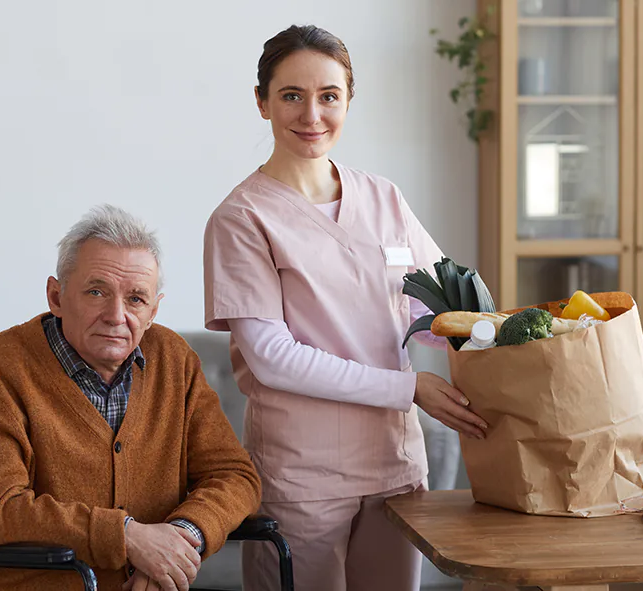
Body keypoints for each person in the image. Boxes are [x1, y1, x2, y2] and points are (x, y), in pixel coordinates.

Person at [202, 25, 489, 591]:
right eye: (291, 95)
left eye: (329, 96)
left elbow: (440, 312)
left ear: (349, 101)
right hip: (303, 474)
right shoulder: (241, 219)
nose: (312, 114)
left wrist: (498, 335)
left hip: (394, 466)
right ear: (262, 103)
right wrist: (410, 389)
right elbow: (274, 359)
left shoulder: (383, 197)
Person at [0, 205, 262, 591]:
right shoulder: (0, 366)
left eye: (136, 299)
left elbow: (234, 476)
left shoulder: (174, 359)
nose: (116, 315)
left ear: (153, 311)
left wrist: (177, 543)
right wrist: (128, 538)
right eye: (97, 291)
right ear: (56, 296)